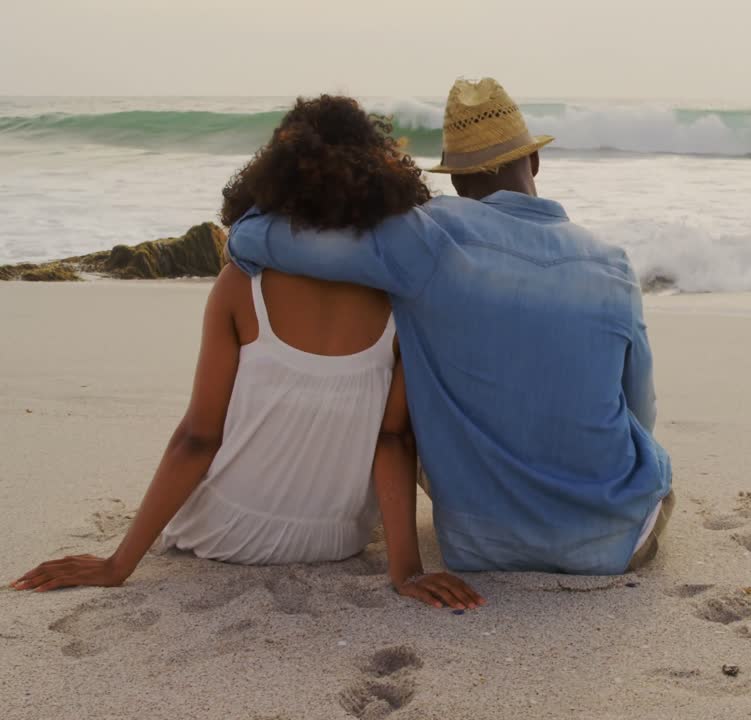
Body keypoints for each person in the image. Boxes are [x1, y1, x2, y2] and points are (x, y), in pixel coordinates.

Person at [11, 96, 484, 610]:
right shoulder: (399, 298)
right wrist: (407, 572)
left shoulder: (243, 284)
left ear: (275, 175)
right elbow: (393, 439)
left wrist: (118, 563)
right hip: (338, 538)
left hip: (228, 533)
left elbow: (198, 437)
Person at [226, 78, 673, 575]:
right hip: (616, 543)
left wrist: (242, 228)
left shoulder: (428, 239)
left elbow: (264, 241)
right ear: (536, 162)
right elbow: (641, 410)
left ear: (457, 182)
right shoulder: (612, 264)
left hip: (482, 547)